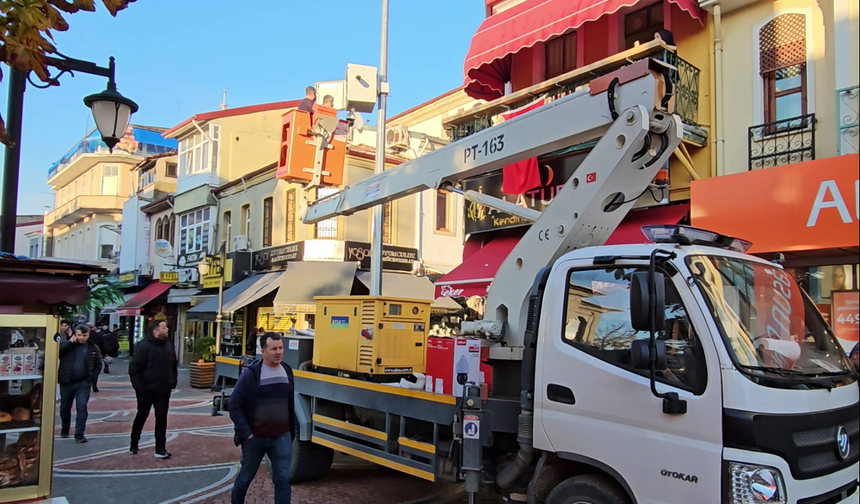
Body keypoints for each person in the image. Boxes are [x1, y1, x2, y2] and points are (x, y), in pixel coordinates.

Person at [229, 333, 297, 504]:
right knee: (245, 477)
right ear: (263, 351)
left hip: (281, 437)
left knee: (282, 480)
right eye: (273, 349)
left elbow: (289, 403)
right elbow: (234, 404)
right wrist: (246, 433)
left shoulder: (287, 371)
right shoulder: (251, 375)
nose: (278, 352)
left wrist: (290, 432)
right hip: (255, 438)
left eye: (280, 348)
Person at [128, 320, 178, 459]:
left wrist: (172, 381)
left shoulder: (168, 345)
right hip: (146, 389)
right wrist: (140, 388)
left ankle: (160, 448)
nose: (167, 329)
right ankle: (134, 442)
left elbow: (173, 364)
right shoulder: (144, 347)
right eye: (164, 327)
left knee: (161, 418)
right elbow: (134, 369)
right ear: (155, 331)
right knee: (142, 415)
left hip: (163, 389)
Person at [57, 325, 102, 443]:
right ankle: (65, 428)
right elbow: (57, 352)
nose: (81, 338)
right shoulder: (69, 345)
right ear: (75, 334)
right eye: (79, 335)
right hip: (66, 381)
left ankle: (79, 433)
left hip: (83, 382)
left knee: (81, 407)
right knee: (65, 407)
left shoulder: (92, 347)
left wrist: (92, 377)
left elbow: (98, 363)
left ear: (88, 335)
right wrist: (69, 343)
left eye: (84, 335)